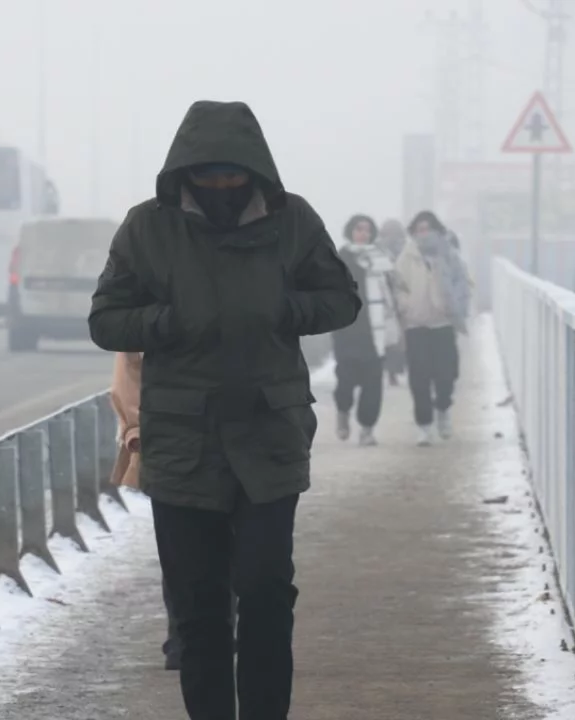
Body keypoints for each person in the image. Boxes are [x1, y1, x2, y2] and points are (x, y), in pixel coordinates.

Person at [89, 100, 361, 720]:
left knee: (266, 591)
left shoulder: (293, 221)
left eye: (232, 175)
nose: (220, 187)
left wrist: (283, 310)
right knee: (198, 607)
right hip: (183, 441)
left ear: (254, 171)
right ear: (184, 172)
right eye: (207, 176)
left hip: (269, 436)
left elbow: (341, 300)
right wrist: (168, 321)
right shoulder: (147, 228)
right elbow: (105, 320)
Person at [109, 351, 235, 672]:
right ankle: (184, 638)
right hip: (172, 442)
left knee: (230, 545)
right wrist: (135, 429)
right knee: (183, 551)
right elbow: (130, 366)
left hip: (237, 438)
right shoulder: (154, 318)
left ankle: (212, 635)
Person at [392, 210, 473, 446]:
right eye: (419, 229)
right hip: (416, 326)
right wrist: (406, 305)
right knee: (419, 379)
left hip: (443, 324)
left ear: (437, 230)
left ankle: (443, 408)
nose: (424, 234)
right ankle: (424, 426)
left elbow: (463, 283)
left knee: (446, 375)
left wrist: (455, 306)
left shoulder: (449, 255)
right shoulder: (406, 257)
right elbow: (398, 286)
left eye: (428, 228)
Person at [331, 214, 401, 446]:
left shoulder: (380, 260)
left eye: (367, 230)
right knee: (345, 381)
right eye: (359, 229)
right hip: (347, 331)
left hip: (375, 332)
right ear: (350, 231)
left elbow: (392, 293)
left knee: (373, 385)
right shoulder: (339, 258)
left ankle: (367, 429)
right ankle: (343, 411)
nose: (363, 233)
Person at [376, 218, 408, 386]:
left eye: (396, 234)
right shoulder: (378, 252)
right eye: (389, 234)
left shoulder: (406, 251)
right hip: (386, 300)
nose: (393, 238)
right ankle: (392, 372)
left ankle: (396, 369)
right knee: (390, 338)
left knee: (400, 338)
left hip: (402, 299)